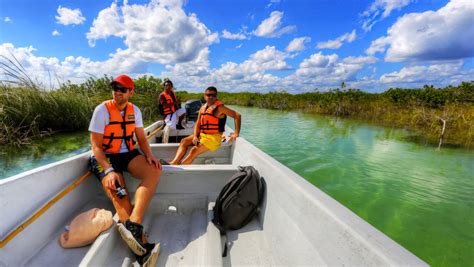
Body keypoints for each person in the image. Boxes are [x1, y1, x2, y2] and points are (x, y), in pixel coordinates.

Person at [88, 74, 161, 266]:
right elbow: (95, 146)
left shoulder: (134, 110)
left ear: (131, 92)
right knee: (121, 197)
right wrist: (108, 170)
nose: (117, 92)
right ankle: (143, 250)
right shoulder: (102, 110)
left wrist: (149, 155)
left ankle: (133, 224)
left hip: (127, 153)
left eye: (122, 89)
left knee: (154, 170)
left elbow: (142, 139)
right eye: (115, 88)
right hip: (105, 158)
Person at [169, 86, 241, 165]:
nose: (211, 97)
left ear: (216, 96)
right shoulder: (203, 108)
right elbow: (198, 123)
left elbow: (237, 115)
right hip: (203, 135)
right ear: (204, 96)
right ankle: (174, 163)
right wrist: (195, 136)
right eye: (208, 95)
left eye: (213, 95)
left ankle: (182, 167)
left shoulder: (220, 108)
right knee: (184, 141)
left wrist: (236, 133)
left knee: (194, 150)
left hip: (214, 138)